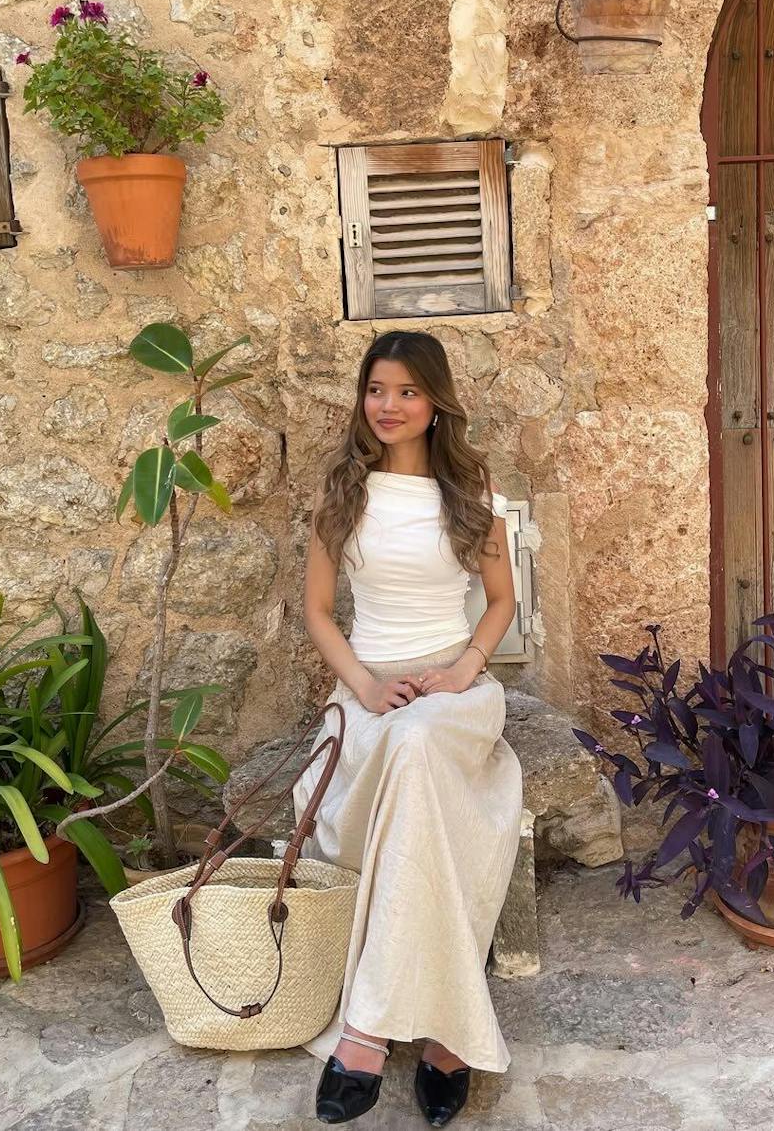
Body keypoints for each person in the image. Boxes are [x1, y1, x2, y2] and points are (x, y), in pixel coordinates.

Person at [294, 329, 524, 1126]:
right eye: (376, 389)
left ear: (435, 403)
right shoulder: (342, 493)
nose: (387, 406)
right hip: (370, 693)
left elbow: (501, 601)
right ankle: (448, 1032)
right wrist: (365, 685)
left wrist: (463, 668)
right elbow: (318, 613)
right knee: (409, 753)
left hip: (453, 693)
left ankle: (363, 1033)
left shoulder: (469, 493)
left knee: (422, 742)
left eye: (407, 391)